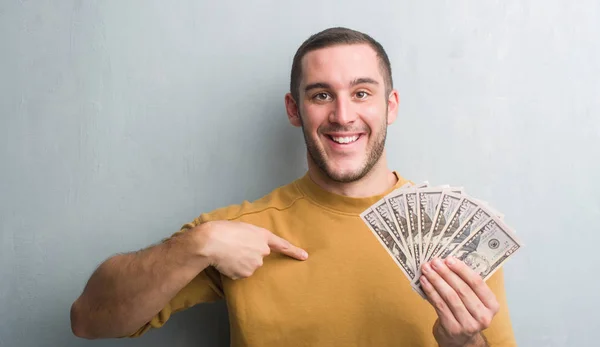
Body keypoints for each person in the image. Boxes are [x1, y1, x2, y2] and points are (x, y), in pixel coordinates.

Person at [70, 27, 517, 346]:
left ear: (390, 105)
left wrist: (464, 344)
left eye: (361, 93)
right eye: (321, 95)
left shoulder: (459, 237)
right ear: (294, 109)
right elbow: (89, 320)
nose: (343, 116)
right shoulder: (236, 232)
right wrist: (198, 243)